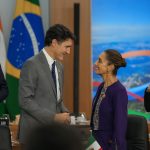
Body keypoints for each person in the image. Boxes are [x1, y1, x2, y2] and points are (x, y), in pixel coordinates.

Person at [18, 24, 75, 144]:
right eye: (67, 47)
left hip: (52, 135)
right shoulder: (31, 64)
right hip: (34, 135)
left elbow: (56, 99)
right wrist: (53, 117)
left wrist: (70, 115)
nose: (69, 52)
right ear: (54, 43)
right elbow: (25, 100)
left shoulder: (59, 67)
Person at [90, 49, 128, 150]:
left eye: (100, 61)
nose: (95, 63)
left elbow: (120, 125)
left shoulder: (119, 91)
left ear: (110, 67)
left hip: (109, 145)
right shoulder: (101, 86)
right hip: (96, 141)